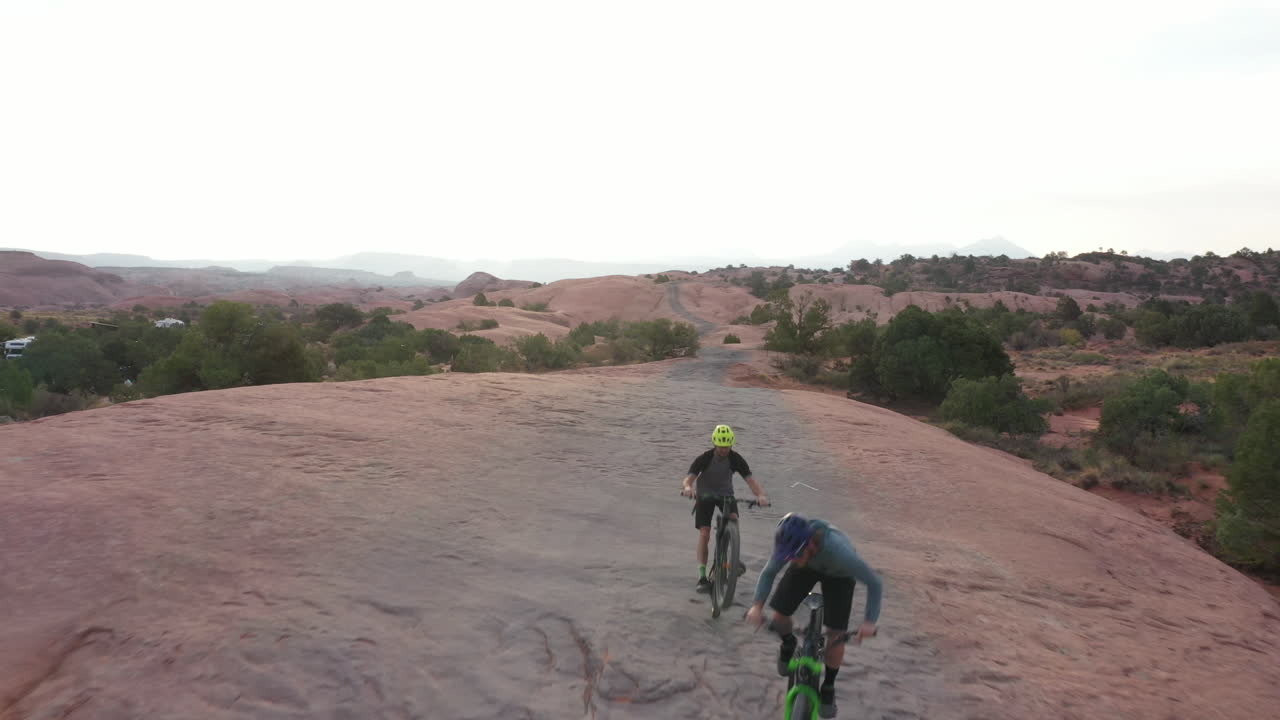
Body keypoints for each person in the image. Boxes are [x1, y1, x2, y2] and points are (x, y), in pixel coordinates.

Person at [745, 513, 882, 719]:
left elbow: (875, 583)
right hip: (807, 567)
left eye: (795, 555)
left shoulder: (840, 553)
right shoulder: (792, 546)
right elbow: (769, 572)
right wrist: (756, 607)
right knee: (779, 616)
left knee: (836, 635)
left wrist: (870, 622)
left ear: (810, 544)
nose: (791, 559)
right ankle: (788, 643)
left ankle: (829, 685)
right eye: (788, 556)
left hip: (839, 575)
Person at [679, 424, 769, 593]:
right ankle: (702, 577)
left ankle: (731, 561)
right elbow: (689, 478)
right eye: (721, 446)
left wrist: (761, 495)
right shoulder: (705, 458)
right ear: (715, 444)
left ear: (731, 444)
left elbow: (750, 480)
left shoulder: (735, 459)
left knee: (733, 521)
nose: (724, 450)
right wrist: (688, 488)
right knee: (705, 533)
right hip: (705, 495)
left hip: (725, 495)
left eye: (727, 446)